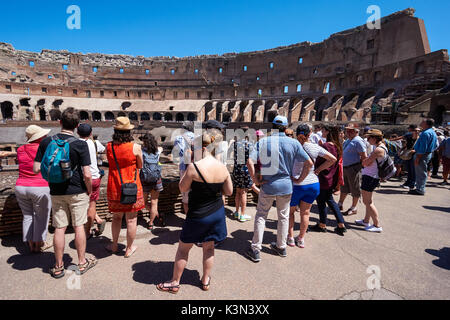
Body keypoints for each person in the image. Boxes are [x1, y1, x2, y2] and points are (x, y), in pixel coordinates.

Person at [157, 133, 233, 294]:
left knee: (183, 249)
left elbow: (182, 188)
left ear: (201, 148)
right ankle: (205, 280)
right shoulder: (222, 167)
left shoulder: (194, 167)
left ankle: (174, 282)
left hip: (198, 213)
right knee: (209, 248)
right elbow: (229, 191)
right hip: (217, 213)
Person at [33, 107, 96, 278]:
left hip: (56, 191)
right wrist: (89, 190)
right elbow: (88, 174)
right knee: (79, 226)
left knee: (59, 228)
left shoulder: (46, 142)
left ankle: (58, 266)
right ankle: (82, 263)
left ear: (60, 122)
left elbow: (36, 168)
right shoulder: (81, 144)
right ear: (76, 125)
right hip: (77, 191)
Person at [246, 116, 312, 262]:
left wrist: (255, 179)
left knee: (261, 215)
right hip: (286, 184)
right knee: (283, 216)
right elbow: (309, 163)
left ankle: (256, 249)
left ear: (272, 126)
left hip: (268, 183)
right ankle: (281, 247)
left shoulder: (264, 141)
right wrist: (299, 179)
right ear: (286, 127)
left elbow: (249, 161)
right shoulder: (294, 143)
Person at [288, 124, 337, 248]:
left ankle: (290, 237)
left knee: (290, 213)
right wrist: (318, 170)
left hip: (296, 183)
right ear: (309, 134)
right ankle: (300, 238)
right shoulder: (315, 147)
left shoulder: (292, 147)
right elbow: (332, 159)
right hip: (313, 183)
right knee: (305, 213)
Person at [105, 117, 144, 257]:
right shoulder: (135, 147)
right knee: (132, 219)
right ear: (129, 132)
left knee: (116, 218)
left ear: (115, 131)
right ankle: (129, 248)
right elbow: (140, 166)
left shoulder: (109, 146)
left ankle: (114, 245)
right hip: (132, 186)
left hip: (115, 186)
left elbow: (110, 164)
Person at [15, 125, 52, 253]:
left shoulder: (20, 149)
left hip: (21, 186)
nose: (46, 137)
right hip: (39, 187)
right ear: (40, 137)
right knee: (41, 217)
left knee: (27, 216)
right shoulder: (45, 149)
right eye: (44, 135)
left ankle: (30, 245)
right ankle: (39, 245)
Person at [310, 125, 347, 235]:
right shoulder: (337, 146)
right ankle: (340, 224)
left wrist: (317, 170)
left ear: (328, 132)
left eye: (324, 131)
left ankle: (323, 224)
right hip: (331, 177)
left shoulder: (326, 146)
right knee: (330, 201)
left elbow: (325, 161)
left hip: (323, 177)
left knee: (322, 202)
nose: (322, 132)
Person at [77, 124, 106, 239]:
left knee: (87, 205)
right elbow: (105, 150)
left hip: (81, 178)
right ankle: (98, 219)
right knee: (91, 204)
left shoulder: (75, 143)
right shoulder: (95, 143)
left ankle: (88, 231)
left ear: (78, 133)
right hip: (94, 177)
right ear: (90, 133)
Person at [356, 129, 387, 232]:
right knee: (369, 201)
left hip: (371, 177)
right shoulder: (379, 147)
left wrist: (365, 161)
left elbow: (366, 163)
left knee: (367, 202)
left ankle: (377, 225)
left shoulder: (378, 150)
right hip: (371, 176)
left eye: (369, 138)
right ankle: (366, 220)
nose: (367, 139)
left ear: (374, 138)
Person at [338, 123, 367, 216]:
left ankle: (354, 207)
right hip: (346, 167)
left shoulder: (358, 141)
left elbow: (364, 156)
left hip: (353, 168)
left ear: (356, 132)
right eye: (347, 130)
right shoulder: (348, 141)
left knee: (355, 188)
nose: (348, 132)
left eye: (351, 131)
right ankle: (340, 203)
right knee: (344, 187)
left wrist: (361, 168)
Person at [140, 133, 164, 230]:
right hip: (156, 180)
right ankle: (151, 223)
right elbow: (160, 148)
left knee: (144, 203)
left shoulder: (141, 151)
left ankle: (156, 215)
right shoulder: (159, 150)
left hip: (145, 179)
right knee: (154, 202)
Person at [409, 119, 438, 195]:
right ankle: (420, 188)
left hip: (422, 155)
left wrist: (418, 157)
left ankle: (420, 189)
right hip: (427, 154)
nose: (421, 122)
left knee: (420, 172)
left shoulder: (425, 133)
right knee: (422, 172)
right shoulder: (432, 132)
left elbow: (423, 147)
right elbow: (436, 145)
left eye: (423, 122)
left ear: (426, 124)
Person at [231, 130, 254, 222]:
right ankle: (243, 215)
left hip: (236, 170)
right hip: (245, 170)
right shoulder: (249, 145)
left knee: (238, 192)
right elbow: (250, 160)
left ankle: (237, 212)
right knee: (244, 192)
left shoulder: (235, 144)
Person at [173, 121, 195, 214]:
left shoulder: (178, 138)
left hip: (184, 167)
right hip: (196, 168)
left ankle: (188, 219)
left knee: (185, 193)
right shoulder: (198, 137)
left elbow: (178, 153)